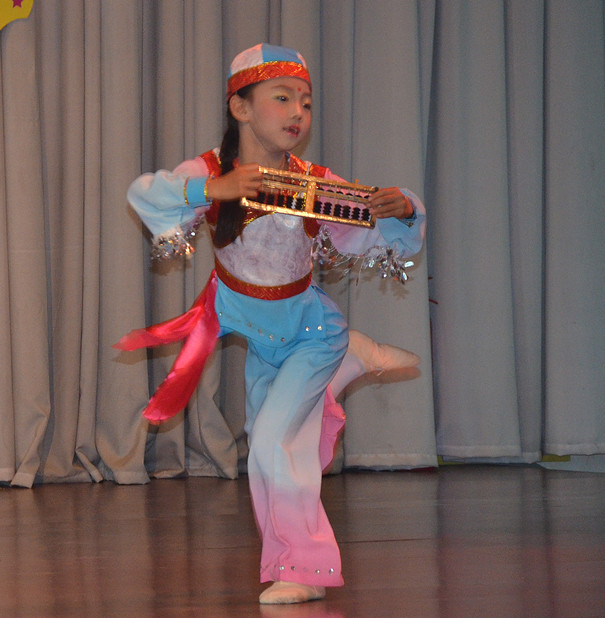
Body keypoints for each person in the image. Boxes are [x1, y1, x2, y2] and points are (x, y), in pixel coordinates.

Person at [116, 43, 426, 605]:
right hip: (263, 343)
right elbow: (145, 194)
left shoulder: (313, 182)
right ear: (240, 107)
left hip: (311, 334)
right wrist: (211, 189)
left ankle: (304, 569)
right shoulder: (210, 171)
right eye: (282, 98)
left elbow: (375, 231)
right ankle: (292, 561)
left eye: (305, 102)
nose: (297, 113)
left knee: (273, 444)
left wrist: (404, 207)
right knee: (269, 446)